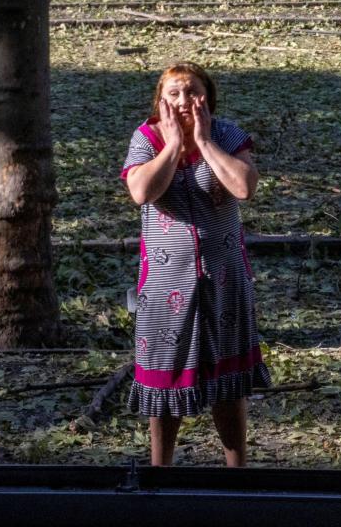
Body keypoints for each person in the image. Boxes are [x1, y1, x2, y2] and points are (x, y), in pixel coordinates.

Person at [120, 62, 271, 467]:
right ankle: (160, 473)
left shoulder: (226, 135)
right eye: (174, 94)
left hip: (225, 278)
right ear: (160, 101)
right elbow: (141, 192)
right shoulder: (147, 138)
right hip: (165, 282)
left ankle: (236, 476)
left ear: (208, 98)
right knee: (164, 378)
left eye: (192, 92)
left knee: (228, 380)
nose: (184, 101)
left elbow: (244, 186)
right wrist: (172, 148)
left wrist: (203, 142)